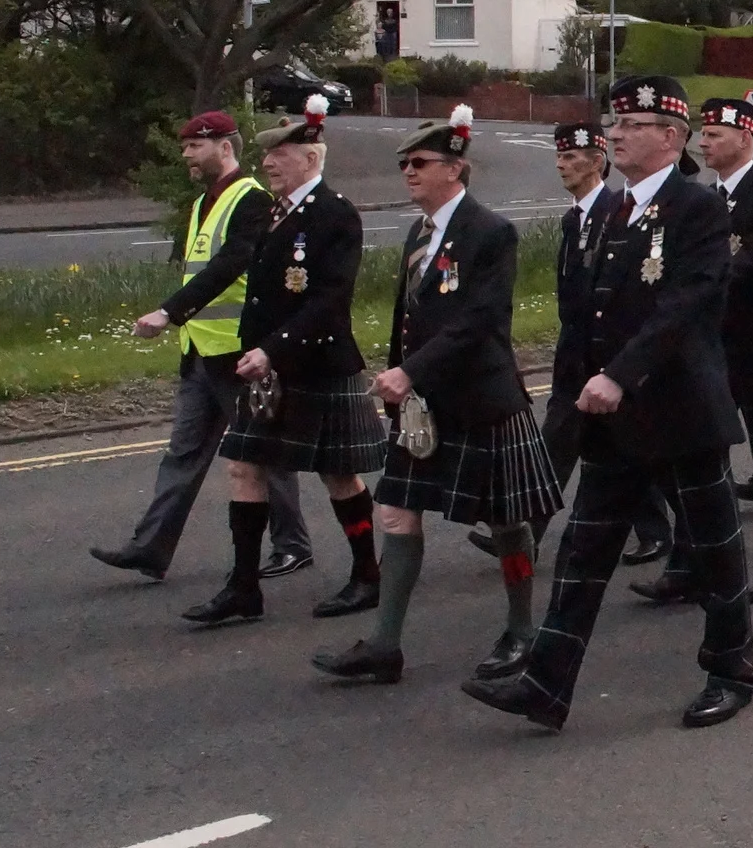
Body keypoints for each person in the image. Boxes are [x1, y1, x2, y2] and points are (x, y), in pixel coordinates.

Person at [463, 75, 753, 733]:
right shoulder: (608, 210)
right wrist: (572, 395)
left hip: (680, 412)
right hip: (608, 418)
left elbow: (685, 304)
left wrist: (621, 375)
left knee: (714, 551)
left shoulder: (697, 209)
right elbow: (584, 315)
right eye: (615, 124)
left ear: (670, 137)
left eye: (631, 126)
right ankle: (547, 684)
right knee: (583, 553)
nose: (615, 135)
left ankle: (731, 672)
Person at [312, 107, 562, 685]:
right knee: (396, 510)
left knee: (506, 520)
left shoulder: (491, 231)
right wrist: (399, 380)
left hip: (482, 400)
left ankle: (522, 630)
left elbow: (480, 320)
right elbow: (408, 317)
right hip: (423, 405)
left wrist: (410, 371)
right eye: (404, 163)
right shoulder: (418, 233)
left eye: (420, 162)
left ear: (455, 168)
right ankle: (385, 645)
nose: (408, 171)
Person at [184, 97, 388, 625]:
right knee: (243, 466)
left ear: (311, 158)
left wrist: (272, 348)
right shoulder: (273, 211)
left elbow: (330, 298)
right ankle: (243, 587)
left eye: (280, 154)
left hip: (319, 363)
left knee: (339, 476)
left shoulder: (335, 213)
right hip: (269, 368)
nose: (269, 163)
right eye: (267, 155)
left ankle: (367, 575)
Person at [94, 110, 315, 584]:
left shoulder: (252, 200)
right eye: (185, 147)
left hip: (239, 352)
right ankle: (150, 548)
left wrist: (168, 312)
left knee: (262, 451)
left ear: (225, 147)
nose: (187, 156)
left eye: (195, 146)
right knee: (184, 452)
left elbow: (230, 265)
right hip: (200, 351)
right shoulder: (202, 203)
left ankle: (292, 545)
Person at [648, 98, 753, 604]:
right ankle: (689, 564)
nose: (704, 142)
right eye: (704, 133)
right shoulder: (705, 196)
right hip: (711, 348)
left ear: (746, 137)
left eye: (714, 134)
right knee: (697, 456)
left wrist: (696, 281)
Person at [521, 122, 669, 567]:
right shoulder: (574, 218)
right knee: (570, 440)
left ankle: (527, 532)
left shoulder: (613, 211)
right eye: (559, 156)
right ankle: (530, 532)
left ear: (597, 162)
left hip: (603, 355)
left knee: (598, 444)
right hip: (575, 352)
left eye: (570, 157)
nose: (561, 165)